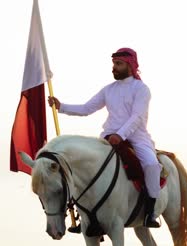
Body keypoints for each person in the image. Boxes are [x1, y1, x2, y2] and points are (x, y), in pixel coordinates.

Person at [48, 47, 161, 228]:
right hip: (109, 138)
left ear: (130, 66)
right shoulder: (108, 90)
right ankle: (88, 216)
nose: (114, 68)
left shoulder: (141, 89)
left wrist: (121, 134)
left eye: (118, 64)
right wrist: (62, 107)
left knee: (152, 165)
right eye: (113, 64)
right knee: (88, 166)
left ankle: (151, 212)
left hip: (137, 138)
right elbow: (86, 108)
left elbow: (137, 116)